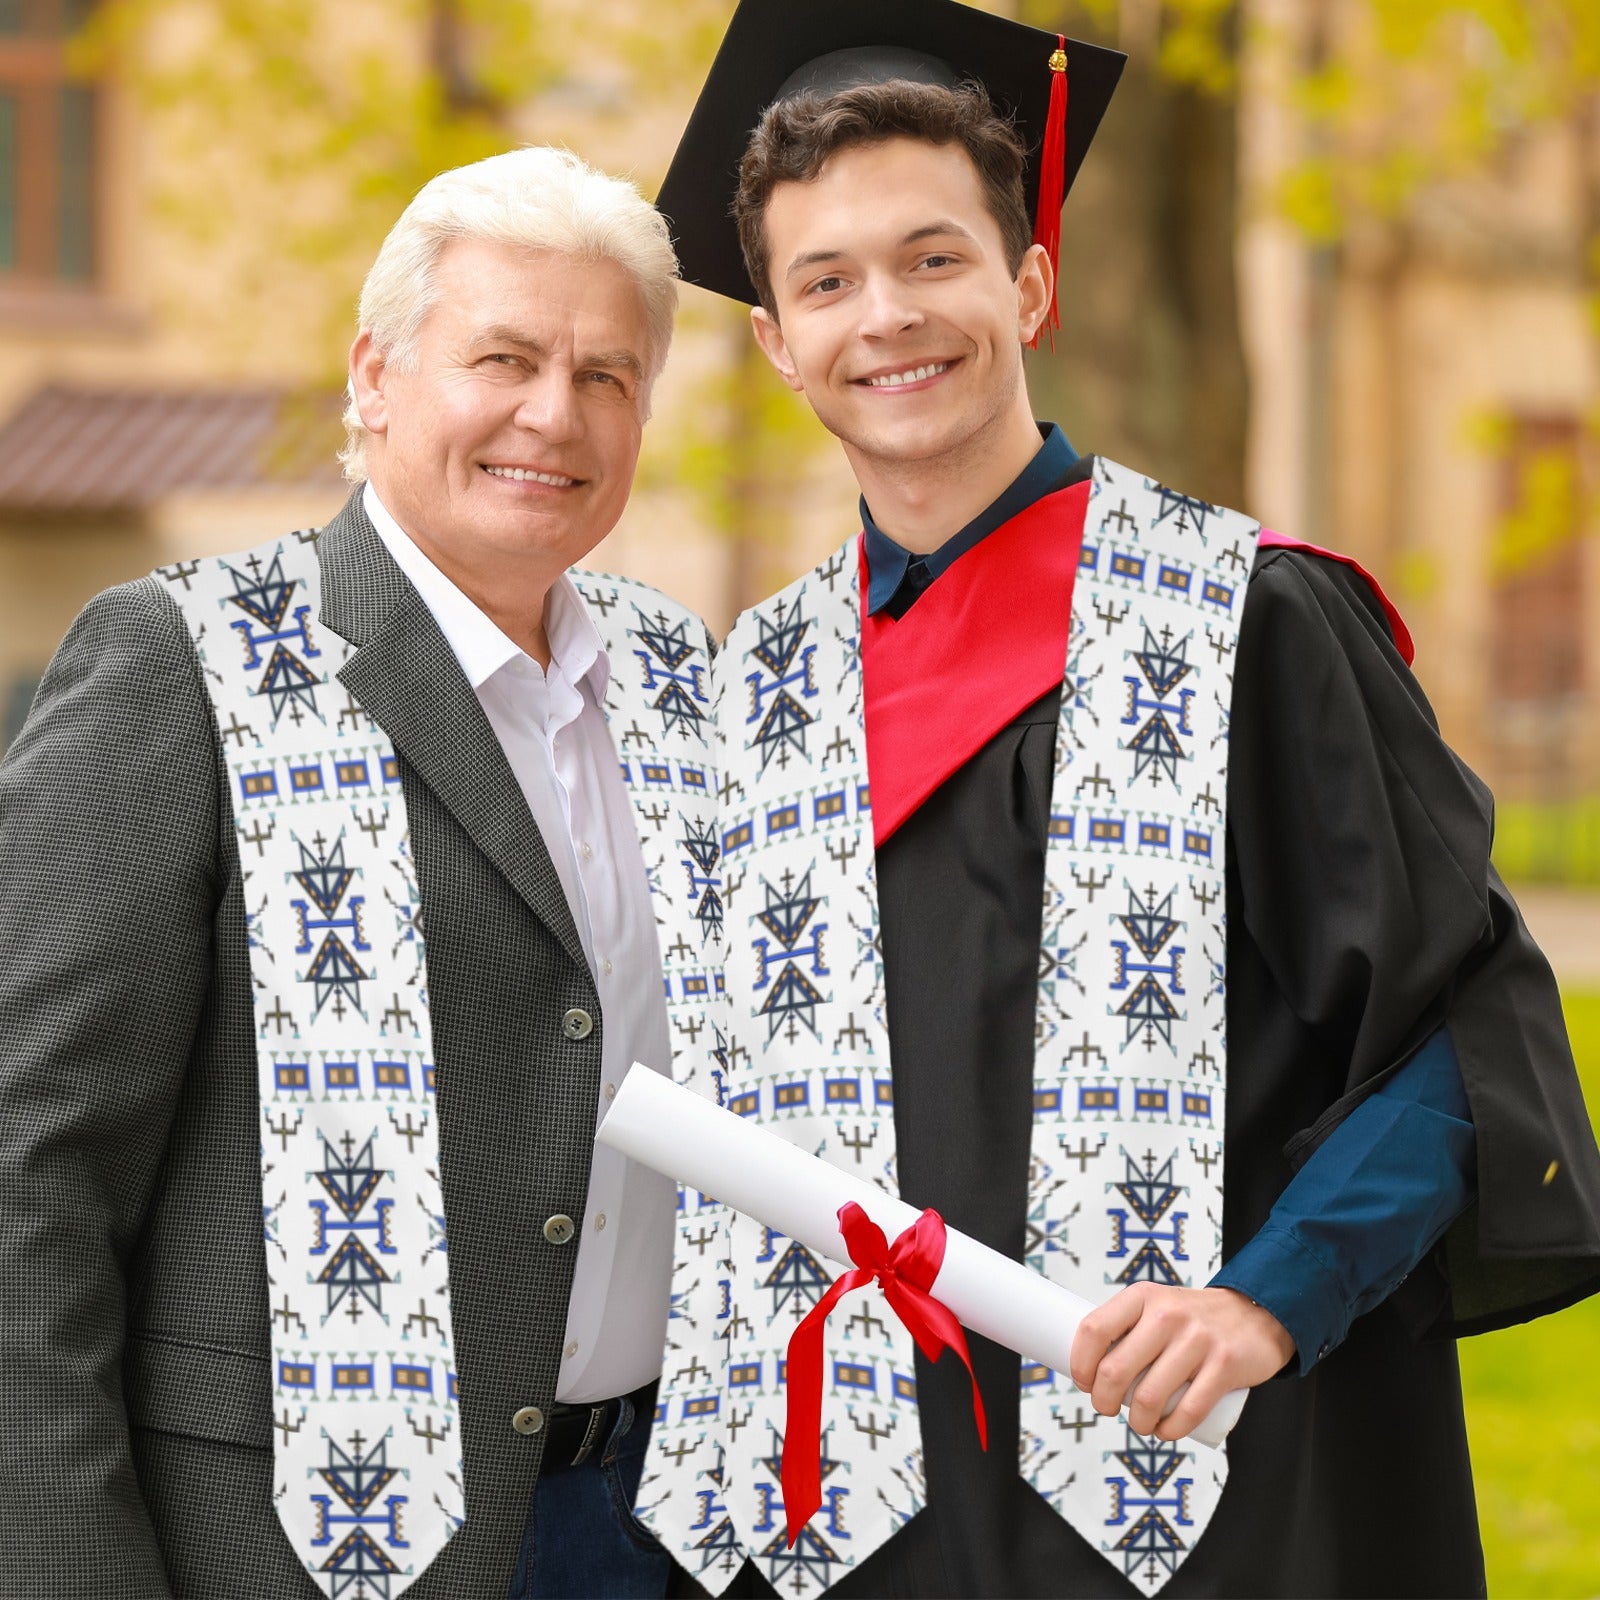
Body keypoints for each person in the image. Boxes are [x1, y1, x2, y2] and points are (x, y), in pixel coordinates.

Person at [632, 3, 1600, 1597]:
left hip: (1205, 1494)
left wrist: (1268, 1300)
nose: (889, 315)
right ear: (779, 343)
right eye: (828, 281)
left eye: (934, 258)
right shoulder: (758, 695)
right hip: (859, 1523)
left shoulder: (1247, 621)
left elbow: (1462, 1034)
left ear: (1029, 285)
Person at [0, 146, 723, 1599]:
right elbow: (31, 1170)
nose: (554, 414)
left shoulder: (682, 681)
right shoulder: (184, 661)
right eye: (503, 358)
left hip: (656, 1525)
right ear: (376, 377)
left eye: (605, 375)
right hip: (291, 1546)